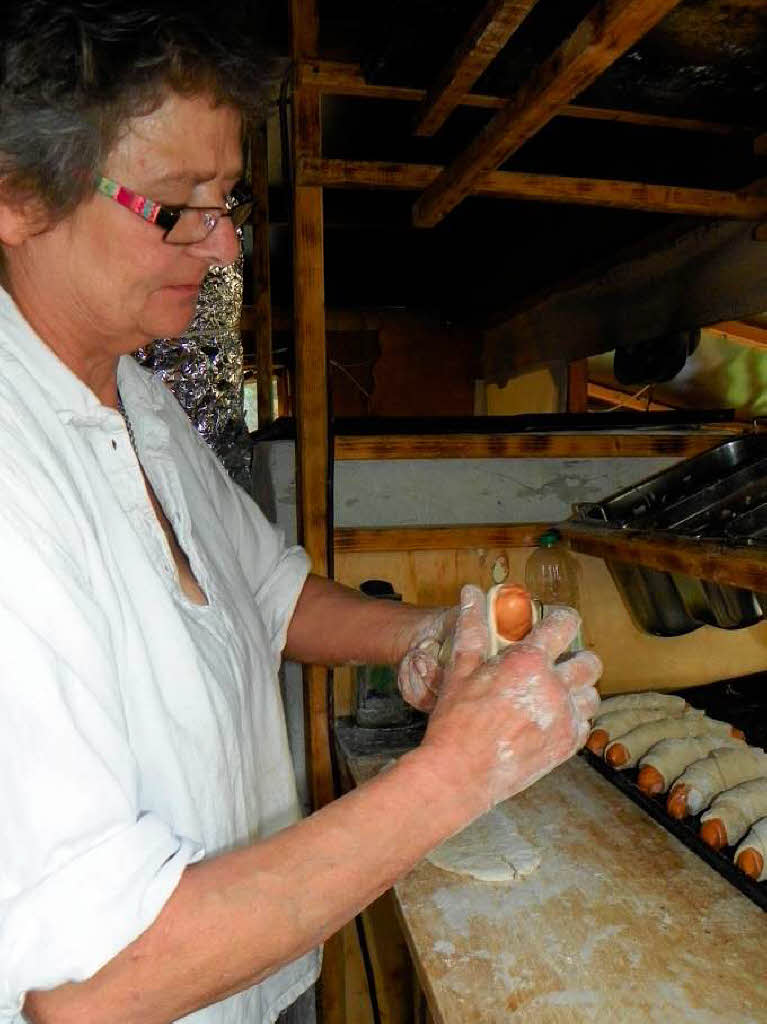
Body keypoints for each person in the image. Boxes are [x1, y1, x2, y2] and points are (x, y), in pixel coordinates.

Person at [0, 4, 602, 1023]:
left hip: (261, 979)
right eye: (179, 206)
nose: (225, 242)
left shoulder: (131, 397)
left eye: (227, 199)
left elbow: (268, 595)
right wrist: (456, 772)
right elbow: (92, 989)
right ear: (18, 197)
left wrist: (419, 632)